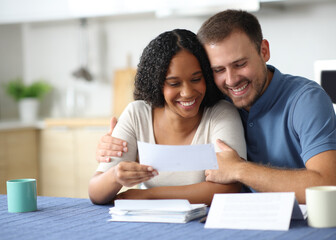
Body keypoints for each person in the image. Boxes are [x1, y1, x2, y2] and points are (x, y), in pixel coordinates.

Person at [96, 10, 336, 211]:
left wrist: (239, 169)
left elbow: (328, 185)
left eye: (240, 64)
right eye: (218, 70)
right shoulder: (217, 101)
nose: (231, 80)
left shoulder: (305, 100)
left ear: (264, 51)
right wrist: (112, 148)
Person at [89, 29, 246, 205]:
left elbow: (229, 188)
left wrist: (149, 196)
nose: (187, 92)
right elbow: (96, 192)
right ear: (156, 83)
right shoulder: (137, 115)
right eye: (174, 83)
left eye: (196, 79)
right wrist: (115, 175)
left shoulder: (221, 114)